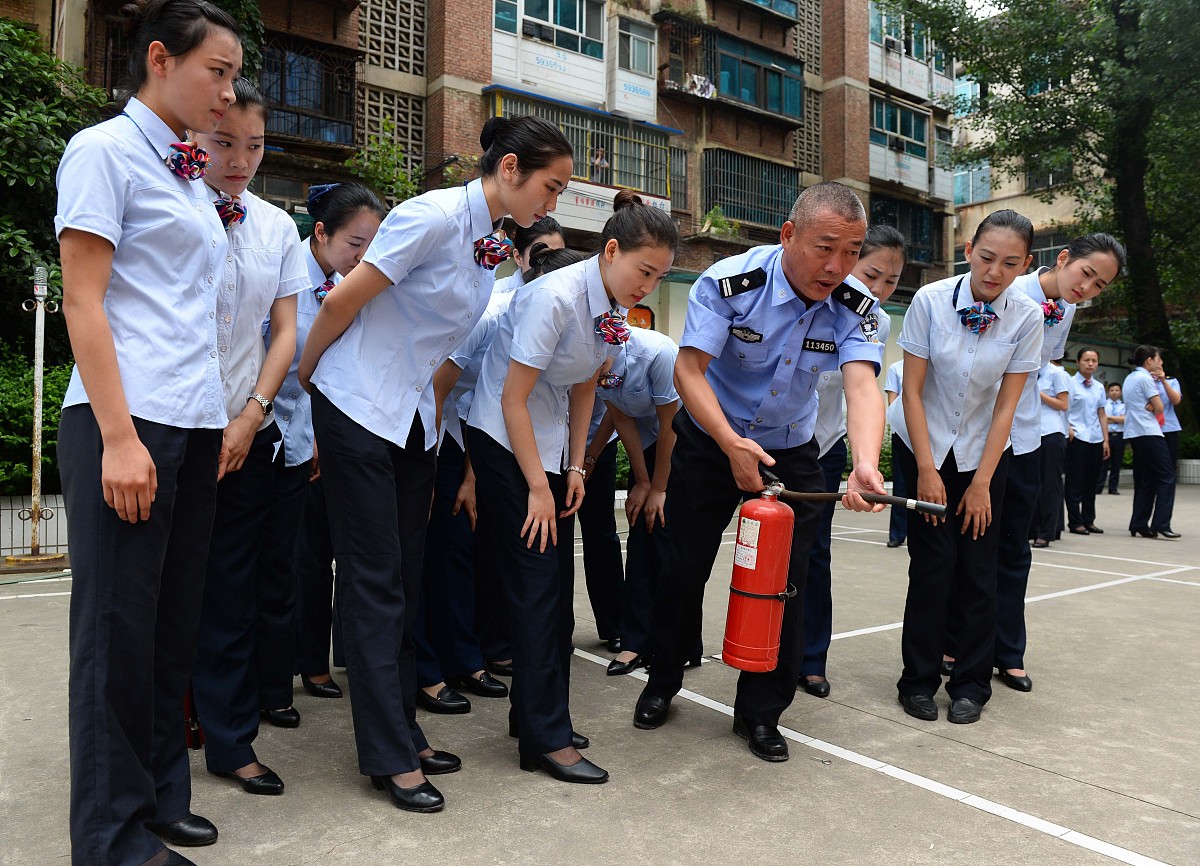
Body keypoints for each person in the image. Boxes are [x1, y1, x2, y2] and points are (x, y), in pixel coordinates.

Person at [297, 115, 575, 813]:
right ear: (510, 170)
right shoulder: (430, 215)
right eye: (551, 186)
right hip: (358, 403)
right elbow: (346, 299)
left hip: (413, 419)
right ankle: (388, 755)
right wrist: (306, 378)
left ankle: (405, 730)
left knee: (405, 579)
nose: (553, 204)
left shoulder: (490, 239)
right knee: (373, 583)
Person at [55, 1, 241, 861]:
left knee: (172, 624)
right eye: (219, 71)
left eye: (236, 77)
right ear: (160, 60)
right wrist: (119, 436)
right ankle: (110, 836)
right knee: (116, 634)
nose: (228, 92)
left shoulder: (190, 175)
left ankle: (162, 793)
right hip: (126, 423)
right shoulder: (103, 153)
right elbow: (84, 302)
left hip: (192, 420)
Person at [632, 182, 888, 763]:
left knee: (784, 586)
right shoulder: (728, 283)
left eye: (852, 252)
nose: (837, 266)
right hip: (710, 438)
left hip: (792, 450)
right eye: (825, 248)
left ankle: (762, 712)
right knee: (682, 569)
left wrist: (866, 464)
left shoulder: (857, 307)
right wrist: (729, 443)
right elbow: (689, 372)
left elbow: (863, 385)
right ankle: (662, 680)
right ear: (788, 235)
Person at [466, 190, 678, 784]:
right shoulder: (554, 297)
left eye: (660, 277)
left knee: (556, 584)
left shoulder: (610, 306)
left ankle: (534, 716)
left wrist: (577, 468)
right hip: (505, 439)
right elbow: (510, 397)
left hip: (552, 442)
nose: (649, 286)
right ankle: (544, 737)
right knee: (537, 585)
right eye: (643, 270)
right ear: (611, 251)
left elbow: (587, 387)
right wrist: (539, 485)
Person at [190, 78, 307, 795]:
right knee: (165, 594)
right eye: (224, 142)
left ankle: (231, 741)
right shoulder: (170, 205)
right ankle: (164, 729)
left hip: (244, 432)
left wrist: (253, 413)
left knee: (231, 592)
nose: (239, 159)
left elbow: (286, 329)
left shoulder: (275, 227)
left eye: (254, 145)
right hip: (170, 426)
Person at [890, 209, 1042, 725]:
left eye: (1010, 263)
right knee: (932, 566)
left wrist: (982, 483)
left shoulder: (1027, 315)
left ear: (1026, 265)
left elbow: (1007, 405)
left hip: (983, 452)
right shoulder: (929, 301)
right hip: (924, 446)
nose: (994, 272)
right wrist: (928, 471)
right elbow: (911, 390)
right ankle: (916, 681)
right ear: (968, 249)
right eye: (986, 257)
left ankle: (971, 685)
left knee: (980, 570)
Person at [980, 233, 1123, 693]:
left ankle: (1009, 652)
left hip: (1026, 434)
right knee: (973, 546)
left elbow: (1042, 364)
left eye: (1100, 285)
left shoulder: (1066, 309)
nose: (1088, 288)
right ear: (1063, 259)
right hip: (979, 436)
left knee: (1016, 547)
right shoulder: (1007, 290)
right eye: (1086, 274)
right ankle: (956, 644)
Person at [289, 183, 388, 700]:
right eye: (355, 244)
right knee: (287, 559)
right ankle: (283, 672)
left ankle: (313, 663)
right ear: (321, 233)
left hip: (326, 441)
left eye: (373, 246)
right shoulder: (289, 278)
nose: (363, 257)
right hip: (276, 432)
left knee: (319, 555)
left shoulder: (350, 287)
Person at [802, 224, 903, 698]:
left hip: (824, 445)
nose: (877, 290)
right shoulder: (808, 294)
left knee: (814, 554)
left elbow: (861, 387)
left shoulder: (874, 321)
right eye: (871, 275)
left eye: (890, 282)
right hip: (768, 441)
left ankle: (810, 659)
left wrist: (864, 459)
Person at [596, 325, 684, 676]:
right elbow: (621, 419)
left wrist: (659, 489)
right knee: (640, 542)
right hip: (648, 452)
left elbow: (671, 427)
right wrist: (643, 482)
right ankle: (634, 641)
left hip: (683, 450)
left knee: (668, 546)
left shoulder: (657, 354)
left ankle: (677, 645)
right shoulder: (591, 360)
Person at [1123, 346, 1178, 538]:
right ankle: (1161, 524)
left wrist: (1150, 405)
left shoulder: (1130, 378)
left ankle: (1138, 523)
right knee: (1167, 475)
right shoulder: (1145, 378)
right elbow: (1160, 407)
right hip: (1149, 431)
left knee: (1147, 478)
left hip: (1134, 432)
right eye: (1158, 359)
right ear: (1149, 361)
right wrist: (1152, 405)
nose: (1160, 363)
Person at [1064, 348, 1109, 534]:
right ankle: (1075, 521)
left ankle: (1089, 519)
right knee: (1075, 481)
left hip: (1096, 438)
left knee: (1091, 482)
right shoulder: (1070, 383)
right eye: (1086, 360)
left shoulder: (1099, 387)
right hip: (1078, 437)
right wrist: (1068, 428)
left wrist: (1106, 439)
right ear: (1078, 362)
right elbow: (1063, 407)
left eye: (1094, 360)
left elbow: (1102, 413)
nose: (1090, 364)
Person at [1032, 360, 1072, 548]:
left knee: (1050, 484)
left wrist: (1038, 394)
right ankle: (1036, 528)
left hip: (1051, 432)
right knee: (1034, 483)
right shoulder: (1030, 369)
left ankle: (1046, 532)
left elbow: (1063, 404)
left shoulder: (1056, 373)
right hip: (1031, 433)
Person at [492, 216, 565, 296]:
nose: (552, 262)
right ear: (518, 257)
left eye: (559, 254)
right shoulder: (495, 296)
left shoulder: (571, 294)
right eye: (541, 254)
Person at [1153, 364, 1182, 535]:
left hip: (1168, 429)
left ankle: (1162, 522)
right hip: (1149, 430)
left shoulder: (1172, 381)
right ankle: (1140, 522)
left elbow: (1176, 400)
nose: (1158, 366)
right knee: (1149, 478)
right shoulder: (1143, 381)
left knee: (1168, 476)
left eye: (1160, 364)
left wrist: (1164, 382)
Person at [884, 359, 908, 548]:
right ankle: (897, 533)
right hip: (902, 433)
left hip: (927, 433)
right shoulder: (896, 368)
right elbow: (893, 403)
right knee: (901, 485)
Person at [1098, 382, 1126, 494]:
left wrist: (1108, 418)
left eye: (1117, 390)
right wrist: (1117, 419)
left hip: (1119, 436)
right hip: (1106, 435)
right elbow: (1101, 419)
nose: (1114, 392)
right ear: (1108, 392)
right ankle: (1098, 487)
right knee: (1103, 462)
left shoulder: (1124, 405)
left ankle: (1113, 488)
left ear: (1120, 392)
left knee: (1116, 463)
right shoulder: (1104, 404)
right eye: (1112, 390)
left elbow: (1125, 419)